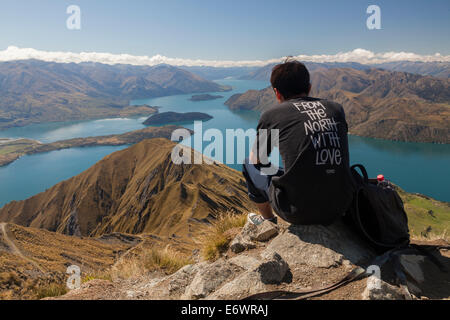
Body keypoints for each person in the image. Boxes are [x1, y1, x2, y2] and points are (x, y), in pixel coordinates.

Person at [243, 60, 355, 226]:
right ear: (309, 88)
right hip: (342, 205)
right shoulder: (335, 108)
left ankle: (268, 221)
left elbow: (257, 159)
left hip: (297, 211)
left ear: (277, 93)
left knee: (248, 163)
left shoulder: (272, 115)